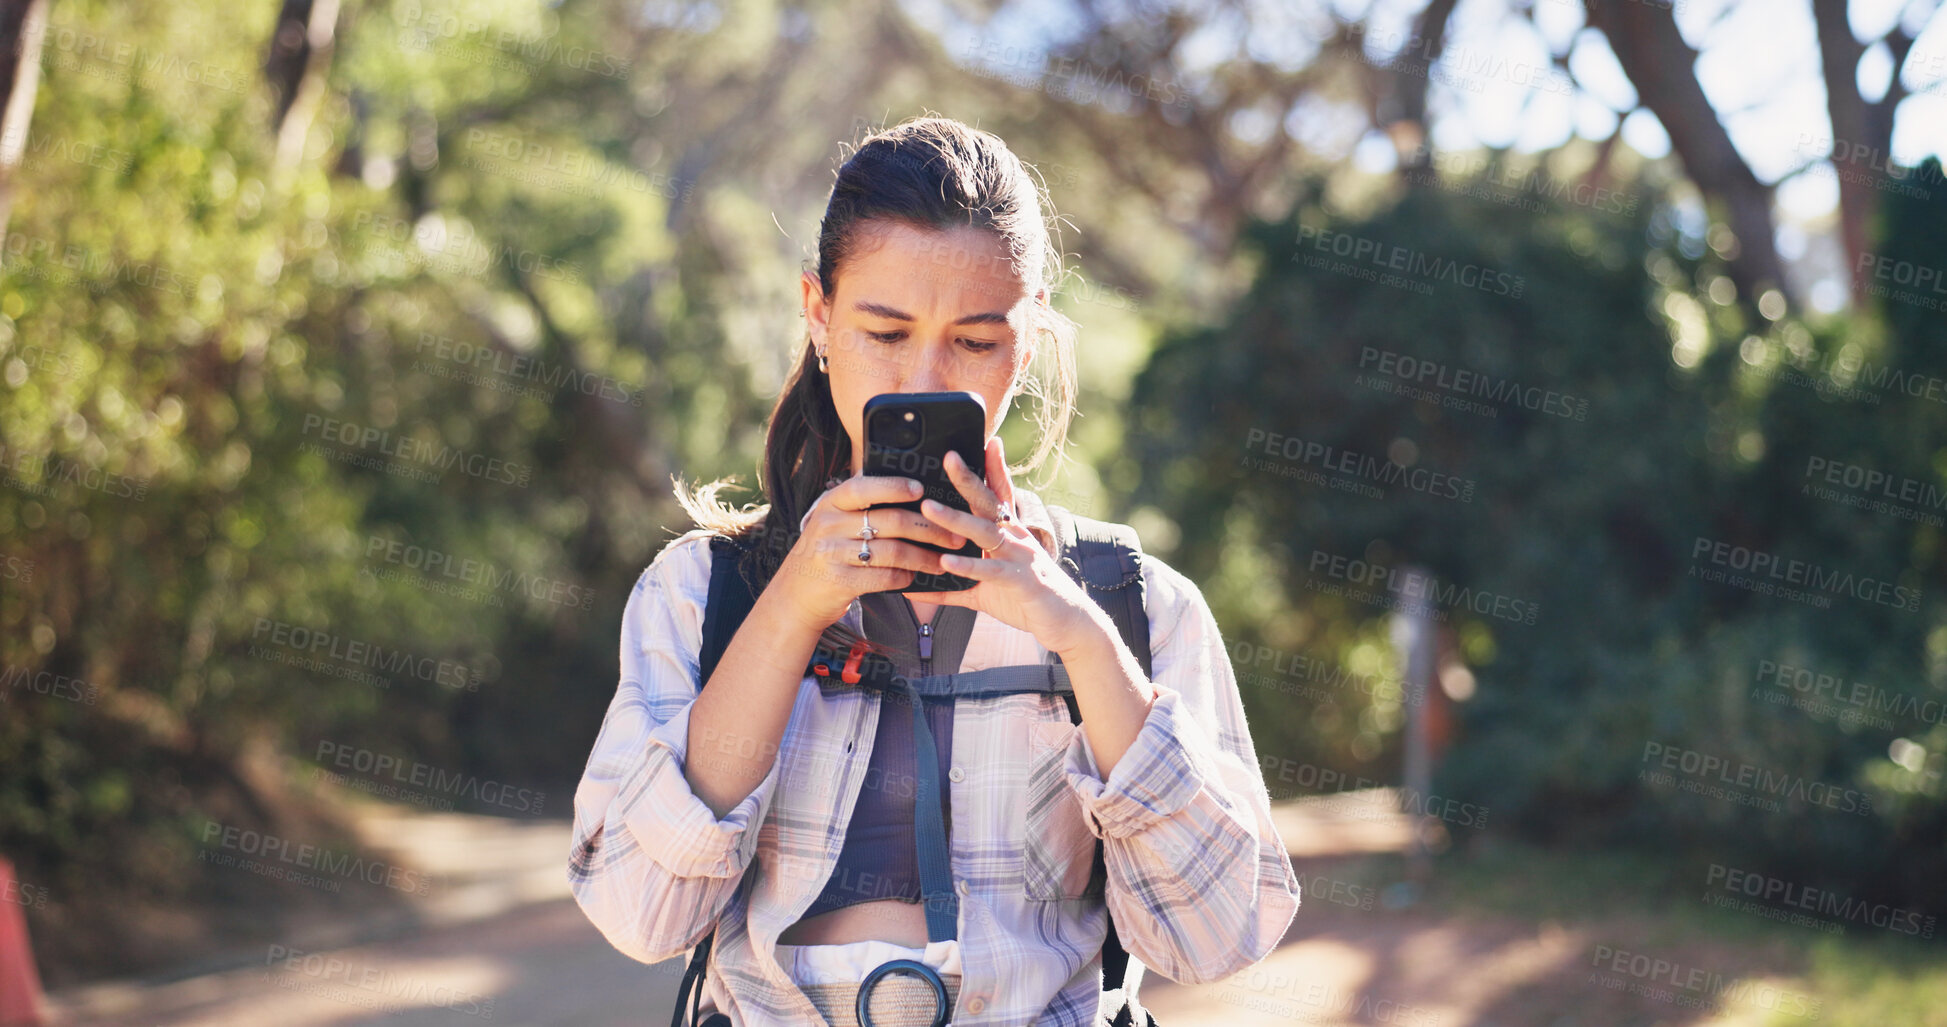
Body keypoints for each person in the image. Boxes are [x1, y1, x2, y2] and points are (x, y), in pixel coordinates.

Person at [569, 116, 1299, 1026]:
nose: (922, 376)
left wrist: (1076, 636)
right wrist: (790, 607)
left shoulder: (1131, 602)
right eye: (885, 331)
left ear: (1024, 343)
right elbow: (640, 912)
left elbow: (1218, 936)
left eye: (975, 342)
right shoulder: (700, 592)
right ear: (819, 315)